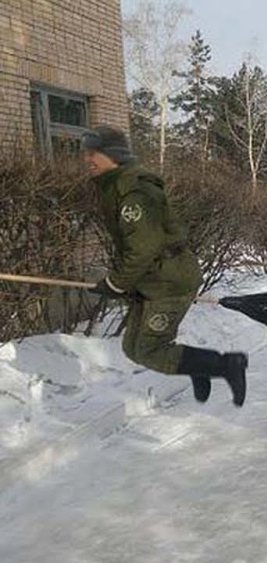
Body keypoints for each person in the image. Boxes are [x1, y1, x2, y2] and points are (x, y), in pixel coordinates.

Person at [82, 126, 247, 406]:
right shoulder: (117, 185)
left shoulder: (133, 191)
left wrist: (115, 283)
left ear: (113, 155)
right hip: (153, 279)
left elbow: (143, 246)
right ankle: (198, 366)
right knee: (133, 348)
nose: (87, 159)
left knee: (148, 349)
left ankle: (225, 366)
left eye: (93, 153)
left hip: (168, 280)